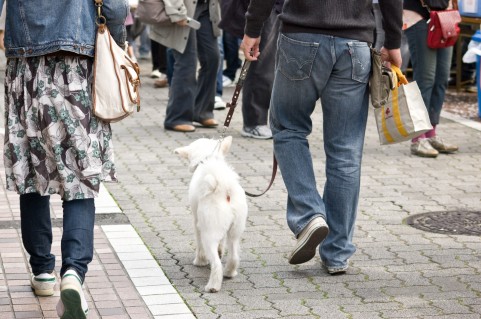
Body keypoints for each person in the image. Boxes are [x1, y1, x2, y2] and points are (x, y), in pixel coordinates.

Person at [242, 0, 402, 274]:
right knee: (346, 150)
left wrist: (253, 28)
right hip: (355, 41)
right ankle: (337, 253)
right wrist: (394, 40)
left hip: (301, 36)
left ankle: (309, 215)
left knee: (289, 129)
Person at [1, 0, 126, 317]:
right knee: (80, 176)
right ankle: (73, 273)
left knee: (32, 171)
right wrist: (118, 44)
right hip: (76, 65)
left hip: (24, 66)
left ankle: (42, 271)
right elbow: (113, 5)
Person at [150, 0, 221, 133]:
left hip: (207, 7)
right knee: (187, 62)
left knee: (212, 58)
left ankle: (201, 112)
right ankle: (177, 117)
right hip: (184, 7)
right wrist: (177, 12)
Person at [220, 0, 284, 139]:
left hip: (286, 9)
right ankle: (254, 122)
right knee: (260, 63)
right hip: (266, 8)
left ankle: (267, 120)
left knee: (273, 64)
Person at [403, 0, 459, 157]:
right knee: (425, 79)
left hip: (444, 15)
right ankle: (417, 138)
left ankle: (431, 133)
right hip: (419, 16)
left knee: (441, 78)